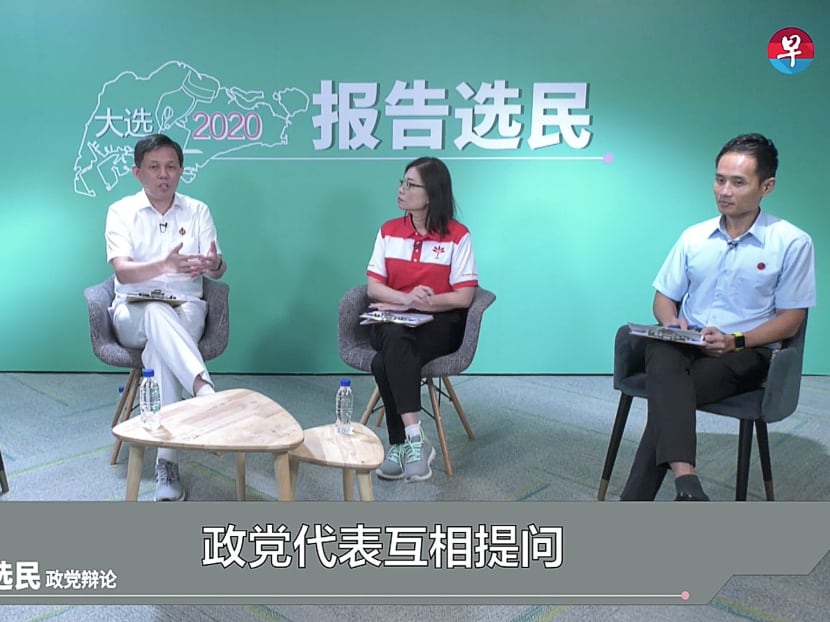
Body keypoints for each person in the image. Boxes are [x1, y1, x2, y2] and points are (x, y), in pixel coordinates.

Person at [621, 133, 816, 501]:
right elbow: (664, 298)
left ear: (767, 186)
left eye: (738, 182)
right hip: (687, 345)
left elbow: (791, 320)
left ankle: (637, 503)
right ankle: (687, 482)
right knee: (661, 350)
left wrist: (734, 341)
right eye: (719, 179)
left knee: (668, 399)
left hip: (746, 352)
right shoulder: (694, 237)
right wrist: (672, 324)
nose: (724, 190)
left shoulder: (791, 242)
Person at [105, 133, 227, 501]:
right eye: (154, 167)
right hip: (132, 313)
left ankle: (167, 462)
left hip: (186, 310)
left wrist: (214, 264)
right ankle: (204, 391)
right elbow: (124, 273)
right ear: (137, 172)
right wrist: (165, 264)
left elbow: (218, 269)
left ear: (181, 171)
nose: (164, 175)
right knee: (155, 313)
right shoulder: (121, 211)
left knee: (160, 353)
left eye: (171, 167)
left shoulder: (198, 210)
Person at [366, 157, 479, 483]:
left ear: (431, 194)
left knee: (381, 363)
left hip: (440, 324)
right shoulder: (389, 231)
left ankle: (401, 443)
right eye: (401, 183)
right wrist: (404, 301)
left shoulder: (458, 236)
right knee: (394, 336)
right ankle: (415, 439)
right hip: (390, 319)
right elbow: (374, 287)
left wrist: (423, 302)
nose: (401, 190)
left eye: (410, 185)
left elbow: (464, 297)